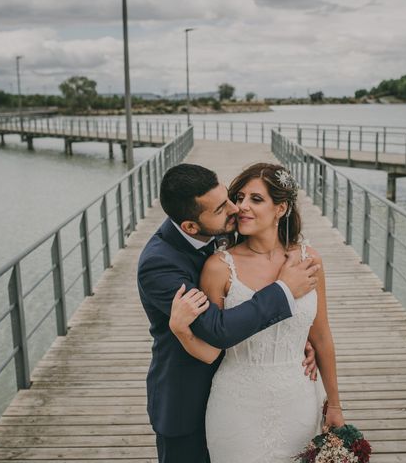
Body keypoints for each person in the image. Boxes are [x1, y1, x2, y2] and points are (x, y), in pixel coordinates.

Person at [137, 163, 320, 463]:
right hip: (188, 400)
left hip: (255, 393)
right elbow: (217, 330)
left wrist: (292, 335)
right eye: (223, 207)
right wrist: (284, 292)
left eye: (228, 197)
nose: (236, 208)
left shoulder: (220, 229)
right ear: (191, 228)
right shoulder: (159, 266)